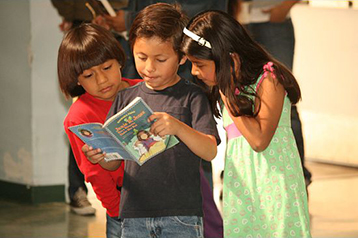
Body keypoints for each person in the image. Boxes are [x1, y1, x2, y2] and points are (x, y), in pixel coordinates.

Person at [83, 3, 220, 237]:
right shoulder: (124, 98)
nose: (149, 67)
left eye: (160, 59)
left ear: (182, 57)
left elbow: (209, 151)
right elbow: (115, 162)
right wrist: (100, 156)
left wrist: (177, 127)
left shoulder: (192, 96)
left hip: (181, 215)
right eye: (142, 57)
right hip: (134, 212)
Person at [182, 10, 311, 237]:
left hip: (276, 187)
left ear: (228, 58)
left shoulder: (268, 79)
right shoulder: (228, 89)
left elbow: (259, 141)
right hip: (243, 190)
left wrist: (227, 93)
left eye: (199, 64)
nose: (194, 71)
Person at [57, 23, 142, 237]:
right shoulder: (79, 117)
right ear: (76, 79)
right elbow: (96, 174)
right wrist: (116, 213)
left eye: (106, 68)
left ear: (119, 61)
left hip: (165, 197)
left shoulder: (145, 91)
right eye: (88, 75)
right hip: (122, 207)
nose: (102, 80)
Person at [231, 0, 312, 187]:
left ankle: (299, 174)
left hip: (274, 22)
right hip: (239, 22)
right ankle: (242, 175)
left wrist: (284, 7)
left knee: (284, 103)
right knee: (239, 98)